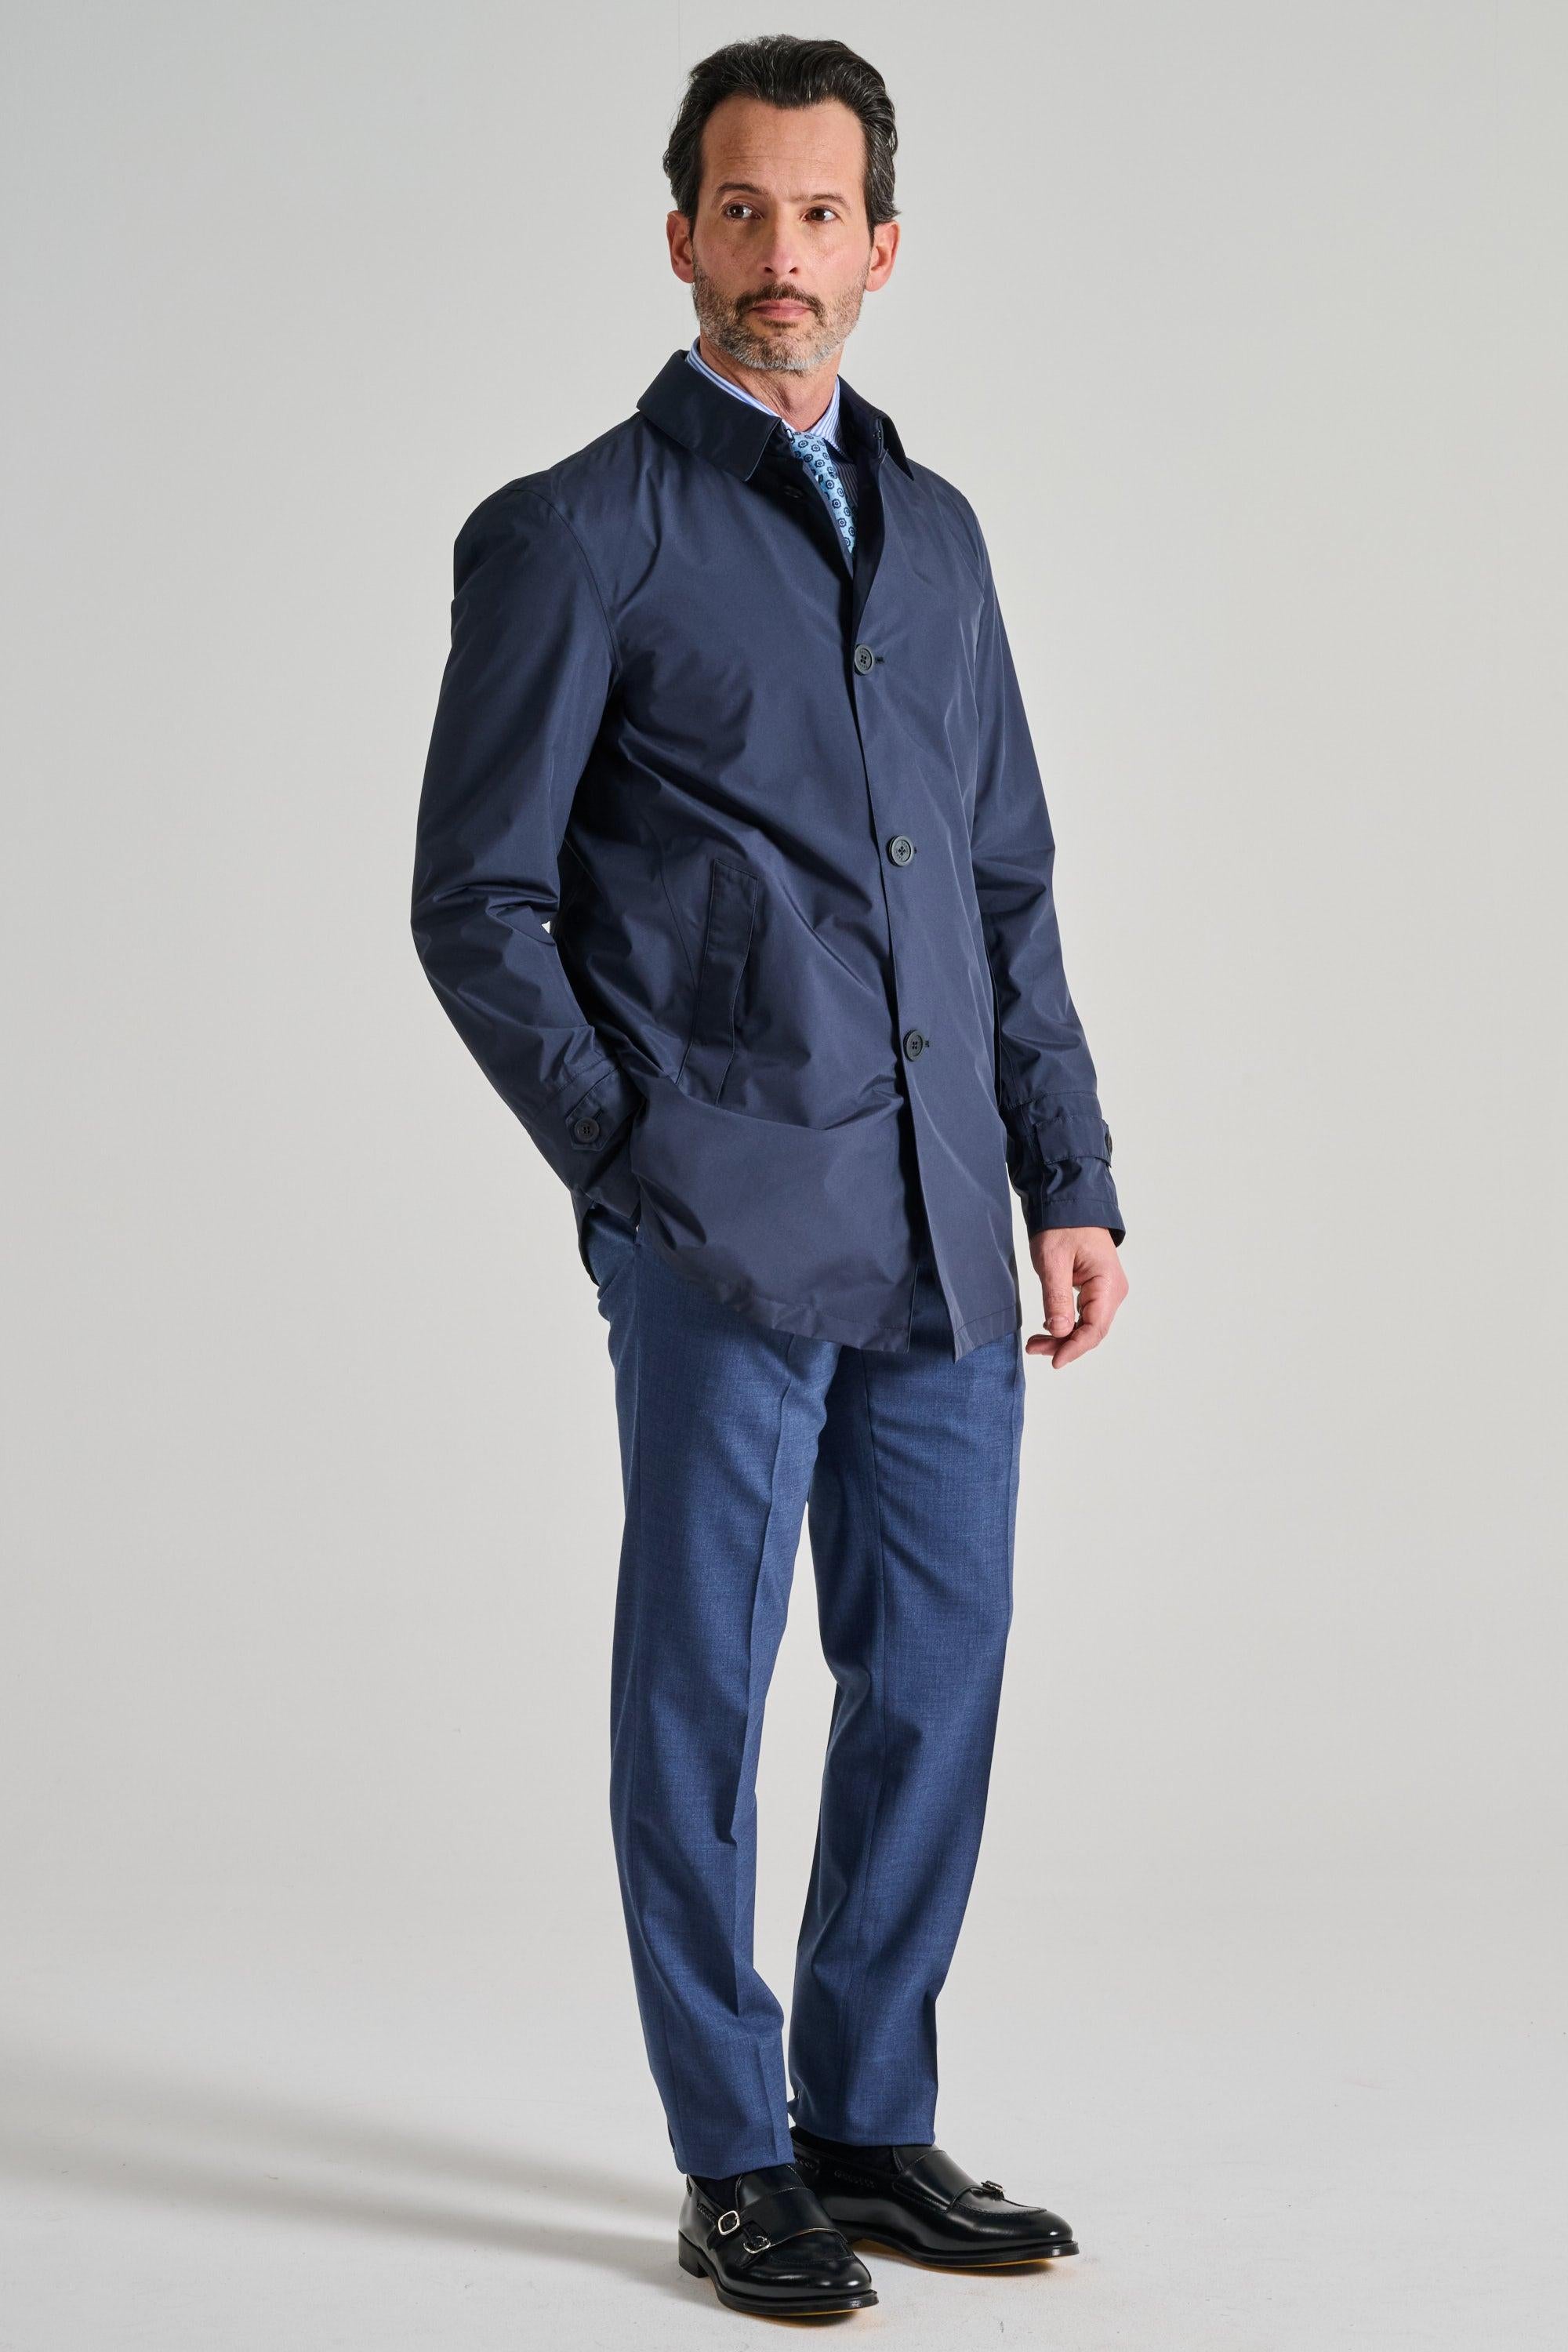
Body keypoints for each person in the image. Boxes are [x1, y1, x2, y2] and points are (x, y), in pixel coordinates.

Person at [411, 32, 1129, 2322]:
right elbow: (478, 903)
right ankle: (733, 2155)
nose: (782, 255)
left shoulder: (943, 532)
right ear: (681, 235)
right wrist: (634, 1161)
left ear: (883, 247)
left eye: (823, 215)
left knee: (938, 1668)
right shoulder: (576, 532)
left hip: (939, 1216)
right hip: (721, 1228)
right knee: (701, 1695)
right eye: (744, 210)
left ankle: (866, 2117)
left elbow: (1003, 885)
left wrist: (1068, 1172)